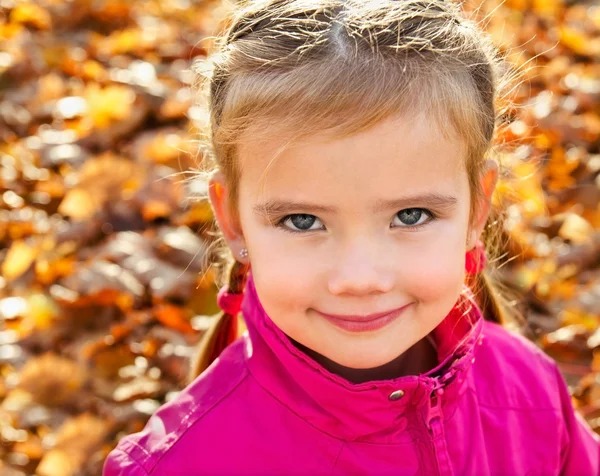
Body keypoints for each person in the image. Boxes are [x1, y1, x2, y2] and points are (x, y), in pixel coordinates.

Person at [103, 0, 600, 474]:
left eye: (410, 215)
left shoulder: (527, 390)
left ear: (477, 206)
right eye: (302, 221)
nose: (360, 279)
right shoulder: (177, 464)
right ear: (233, 221)